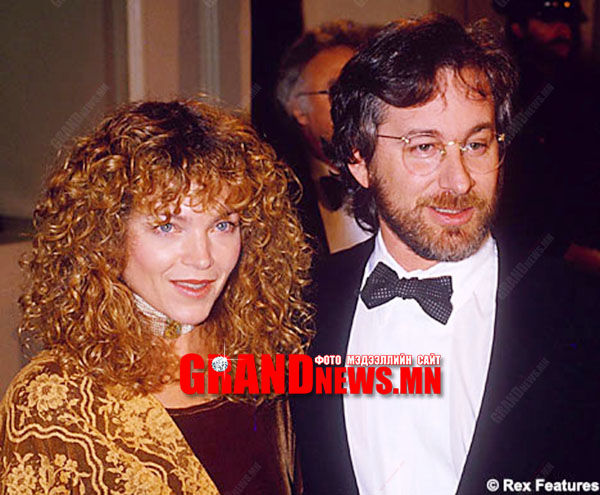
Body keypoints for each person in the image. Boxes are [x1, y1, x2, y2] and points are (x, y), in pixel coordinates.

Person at [293, 14, 599, 495]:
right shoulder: (297, 311)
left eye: (476, 144)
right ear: (358, 159)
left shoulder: (580, 315)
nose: (459, 181)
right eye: (424, 147)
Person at [0, 100, 312, 494]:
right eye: (167, 226)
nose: (202, 258)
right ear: (107, 235)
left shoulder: (260, 361)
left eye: (222, 225)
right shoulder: (51, 400)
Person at [493, 0, 600, 271]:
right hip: (533, 263)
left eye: (568, 21)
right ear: (518, 27)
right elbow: (513, 209)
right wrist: (573, 253)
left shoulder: (585, 88)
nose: (562, 30)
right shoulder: (504, 95)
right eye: (548, 20)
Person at [276, 20, 378, 255]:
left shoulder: (404, 172)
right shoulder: (279, 191)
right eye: (336, 92)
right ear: (297, 108)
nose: (351, 104)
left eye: (360, 91)